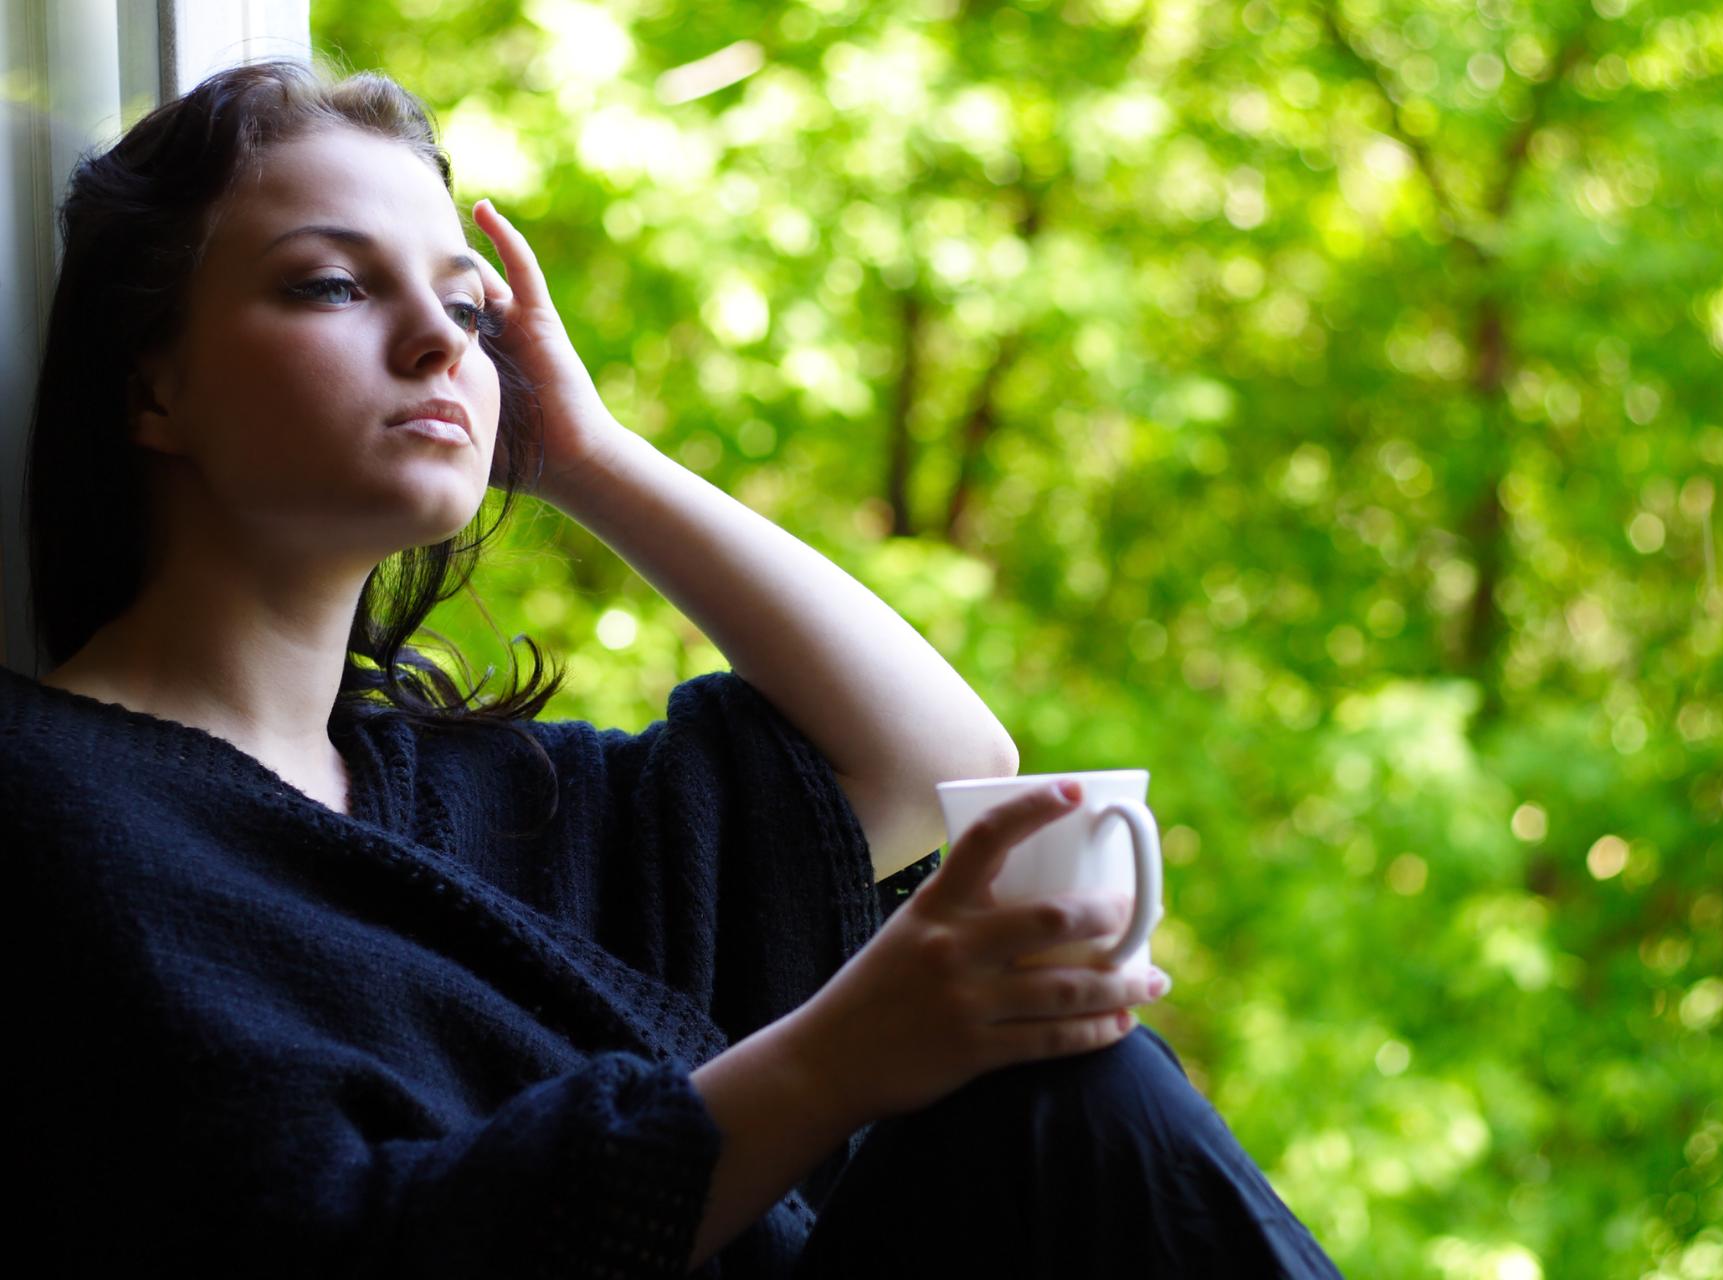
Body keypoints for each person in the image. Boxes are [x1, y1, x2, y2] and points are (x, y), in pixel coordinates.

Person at [2, 57, 1342, 1277]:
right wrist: (835, 1060)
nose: (441, 343)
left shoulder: (497, 804)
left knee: (1071, 1079)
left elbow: (933, 763)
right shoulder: (49, 809)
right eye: (334, 285)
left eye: (465, 306)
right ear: (152, 389)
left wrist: (585, 456)